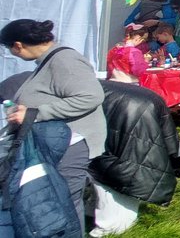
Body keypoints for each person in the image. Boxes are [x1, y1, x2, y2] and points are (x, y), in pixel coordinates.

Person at [1, 19, 107, 231]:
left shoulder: (65, 60)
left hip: (73, 143)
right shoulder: (49, 60)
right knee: (54, 198)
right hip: (57, 142)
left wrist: (36, 113)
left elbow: (91, 96)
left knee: (65, 199)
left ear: (18, 45)